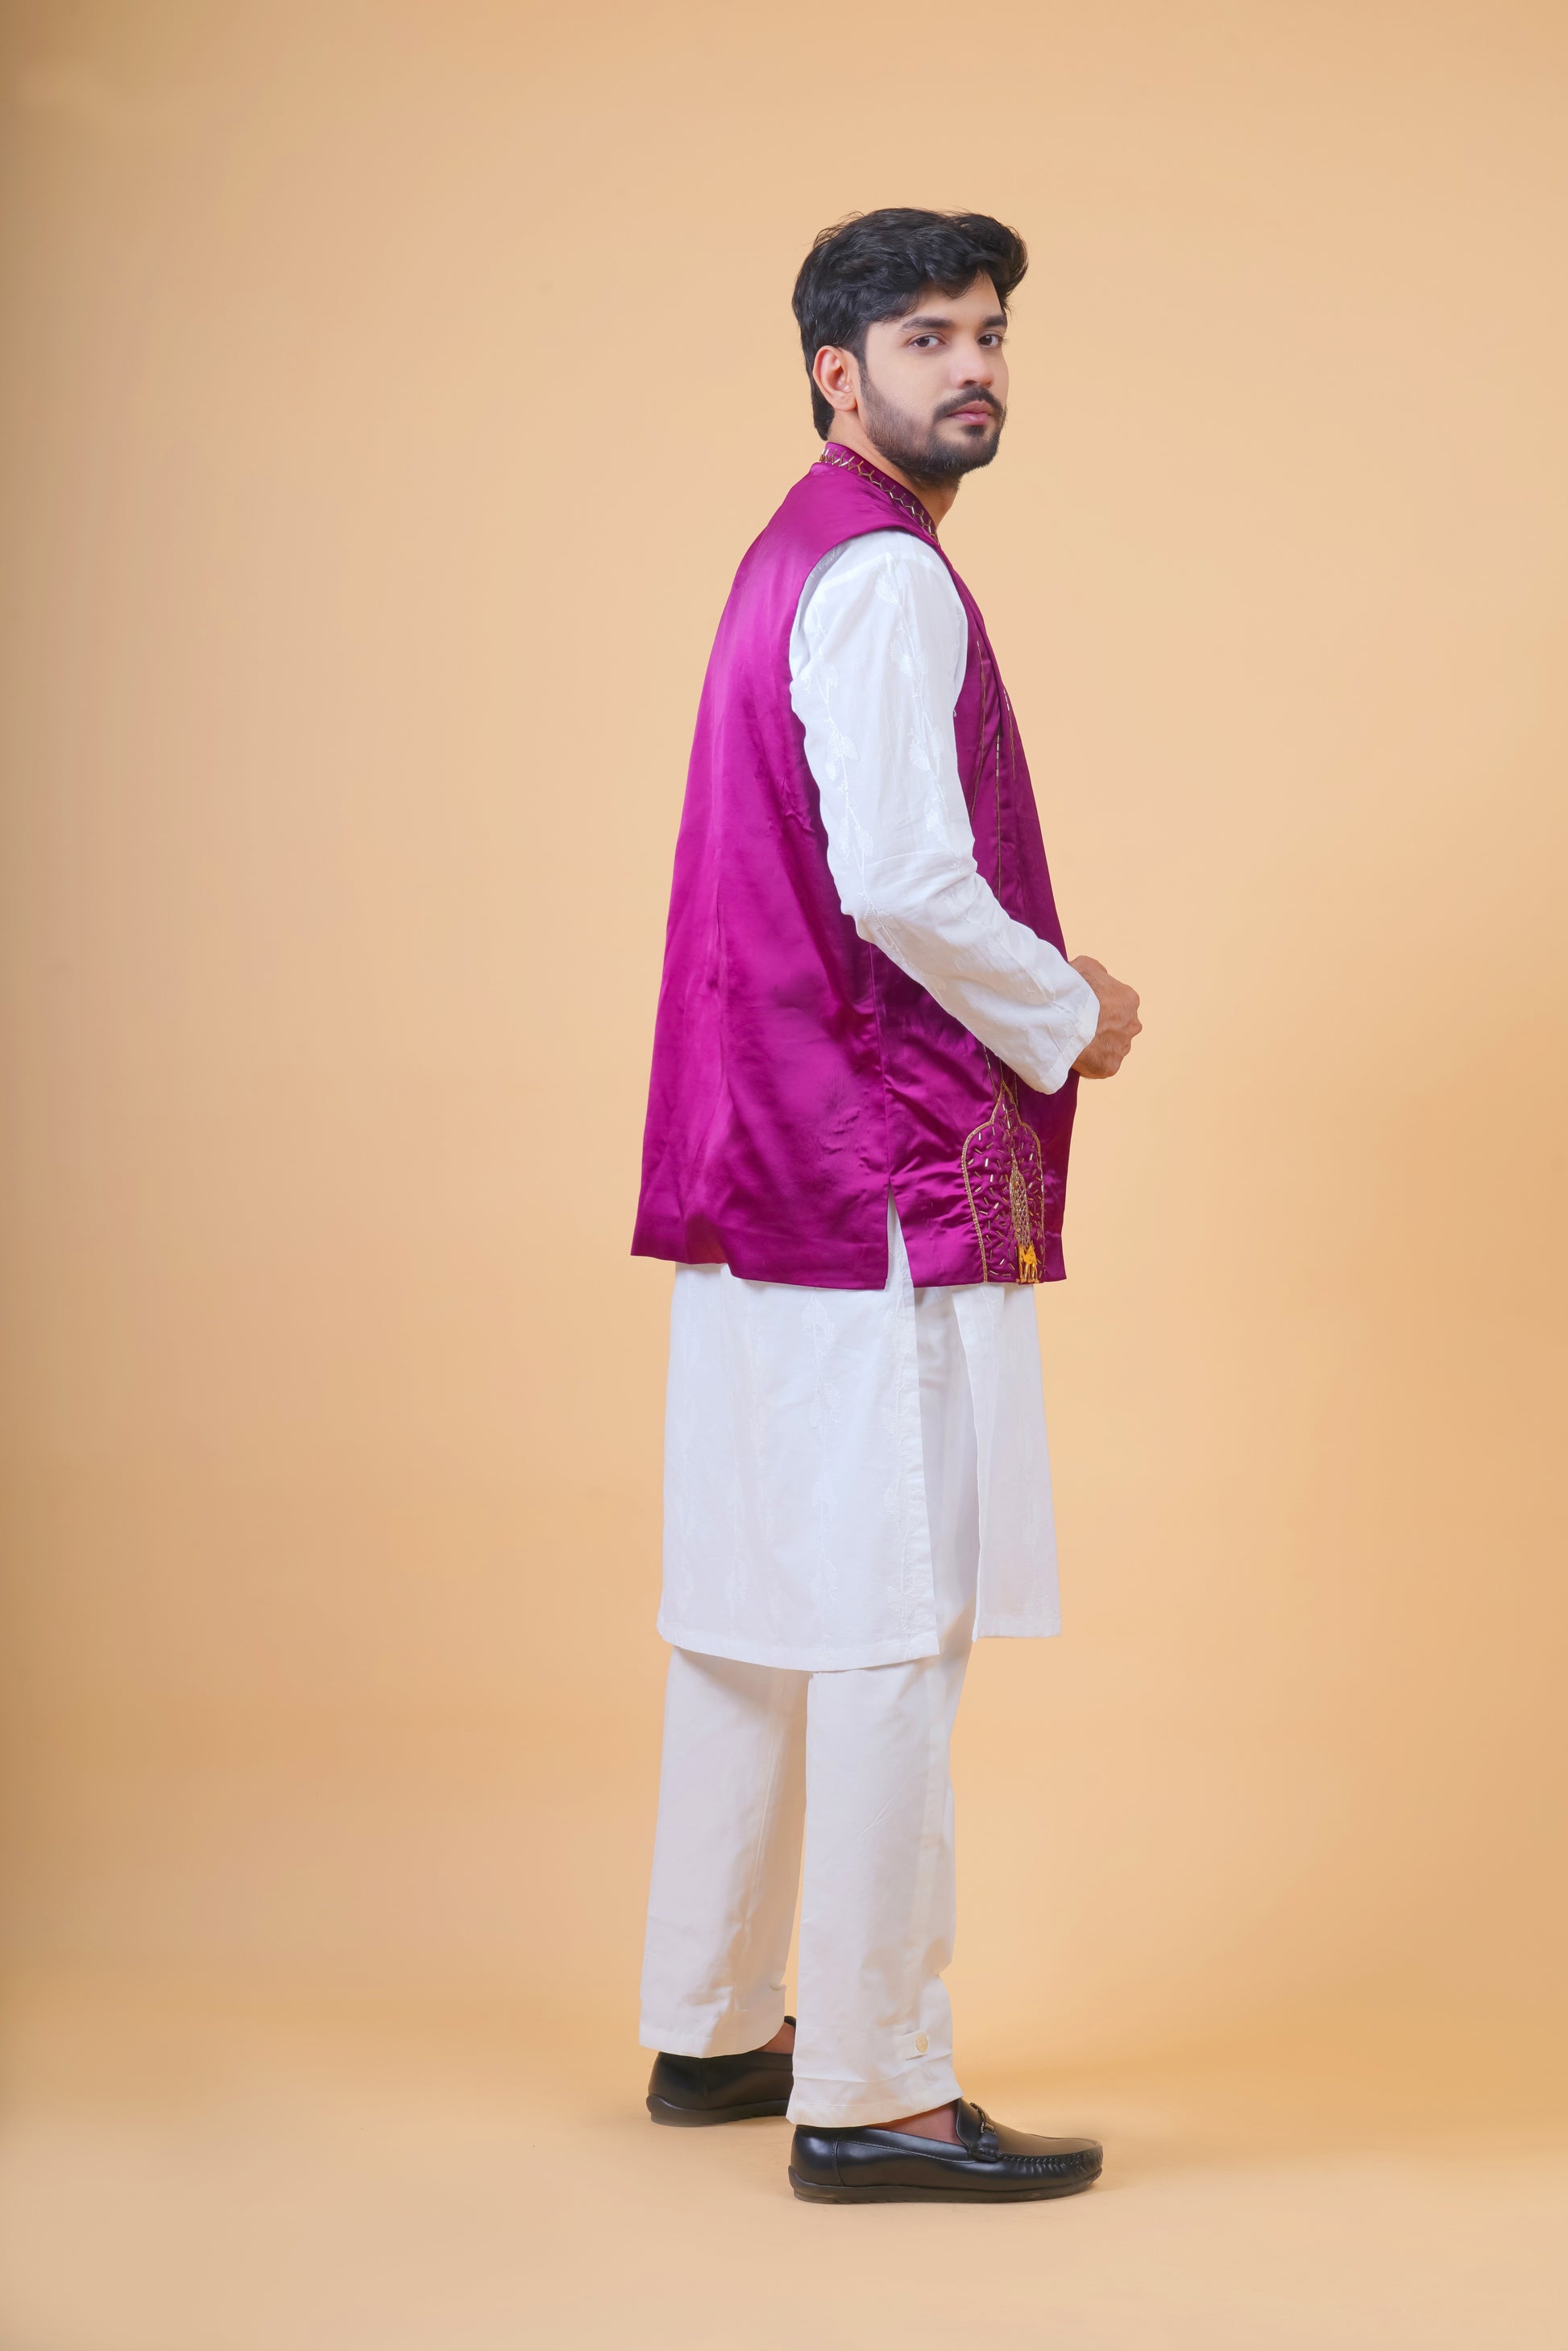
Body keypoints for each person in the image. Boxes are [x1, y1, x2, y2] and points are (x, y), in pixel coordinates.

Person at [630, 208, 1141, 2205]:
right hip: (875, 1175)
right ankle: (875, 2085)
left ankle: (714, 2020)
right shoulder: (886, 576)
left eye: (989, 331)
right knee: (884, 1623)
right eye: (928, 335)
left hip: (762, 1165)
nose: (975, 365)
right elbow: (904, 883)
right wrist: (1065, 1012)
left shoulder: (791, 554)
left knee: (751, 1604)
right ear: (836, 373)